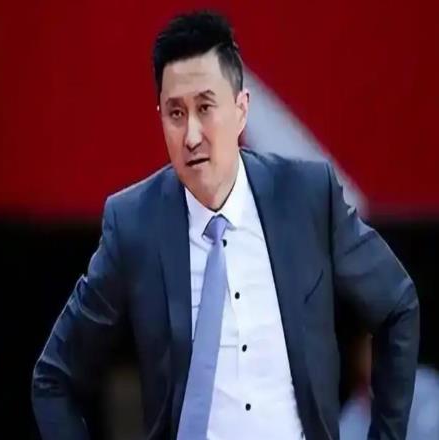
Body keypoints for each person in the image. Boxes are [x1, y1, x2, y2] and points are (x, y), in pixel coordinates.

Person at [32, 10, 420, 440]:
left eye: (205, 107)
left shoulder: (306, 198)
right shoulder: (134, 224)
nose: (191, 135)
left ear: (240, 110)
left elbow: (397, 305)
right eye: (175, 113)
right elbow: (54, 377)